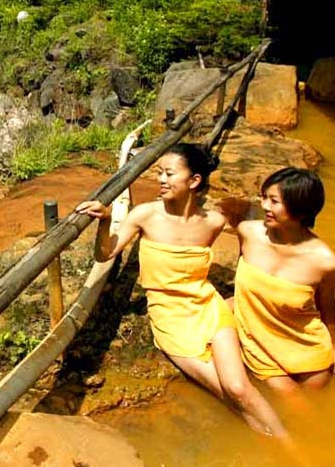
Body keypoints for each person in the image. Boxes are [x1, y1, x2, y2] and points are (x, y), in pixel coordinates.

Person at [76, 144, 287, 439]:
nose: (161, 179)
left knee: (239, 388)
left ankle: (292, 447)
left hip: (208, 306)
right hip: (170, 317)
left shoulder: (214, 220)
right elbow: (105, 253)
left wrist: (250, 280)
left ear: (194, 181)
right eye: (159, 173)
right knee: (226, 392)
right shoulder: (145, 215)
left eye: (169, 173)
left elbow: (254, 222)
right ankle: (280, 450)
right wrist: (105, 220)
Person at [233, 167, 335, 393]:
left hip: (306, 346)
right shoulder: (248, 232)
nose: (264, 206)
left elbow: (327, 306)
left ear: (301, 210)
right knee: (293, 403)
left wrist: (334, 348)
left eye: (274, 201)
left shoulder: (326, 262)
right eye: (264, 197)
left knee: (319, 401)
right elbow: (240, 284)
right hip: (259, 341)